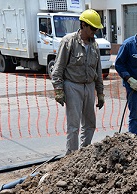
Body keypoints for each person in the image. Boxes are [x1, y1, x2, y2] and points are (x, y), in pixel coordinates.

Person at [51, 9, 105, 156]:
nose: (95, 31)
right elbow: (58, 68)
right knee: (73, 126)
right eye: (93, 28)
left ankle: (84, 154)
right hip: (72, 86)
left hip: (89, 86)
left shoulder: (94, 45)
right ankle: (71, 156)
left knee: (90, 124)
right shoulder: (68, 42)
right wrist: (59, 90)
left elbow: (98, 71)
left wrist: (100, 93)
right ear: (83, 25)